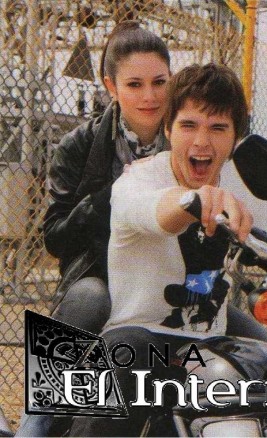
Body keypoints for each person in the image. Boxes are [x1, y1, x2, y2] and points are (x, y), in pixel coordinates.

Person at [69, 62, 253, 437]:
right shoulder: (137, 179)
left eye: (218, 128)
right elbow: (154, 210)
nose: (202, 141)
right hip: (139, 339)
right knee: (128, 352)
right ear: (167, 128)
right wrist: (194, 201)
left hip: (205, 349)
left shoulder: (245, 190)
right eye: (188, 125)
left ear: (235, 138)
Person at [42, 20, 171, 334]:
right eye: (134, 85)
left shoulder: (189, 139)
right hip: (100, 274)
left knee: (254, 340)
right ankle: (54, 367)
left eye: (159, 82)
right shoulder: (78, 145)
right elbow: (55, 238)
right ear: (112, 87)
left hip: (171, 276)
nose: (150, 96)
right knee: (91, 298)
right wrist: (106, 200)